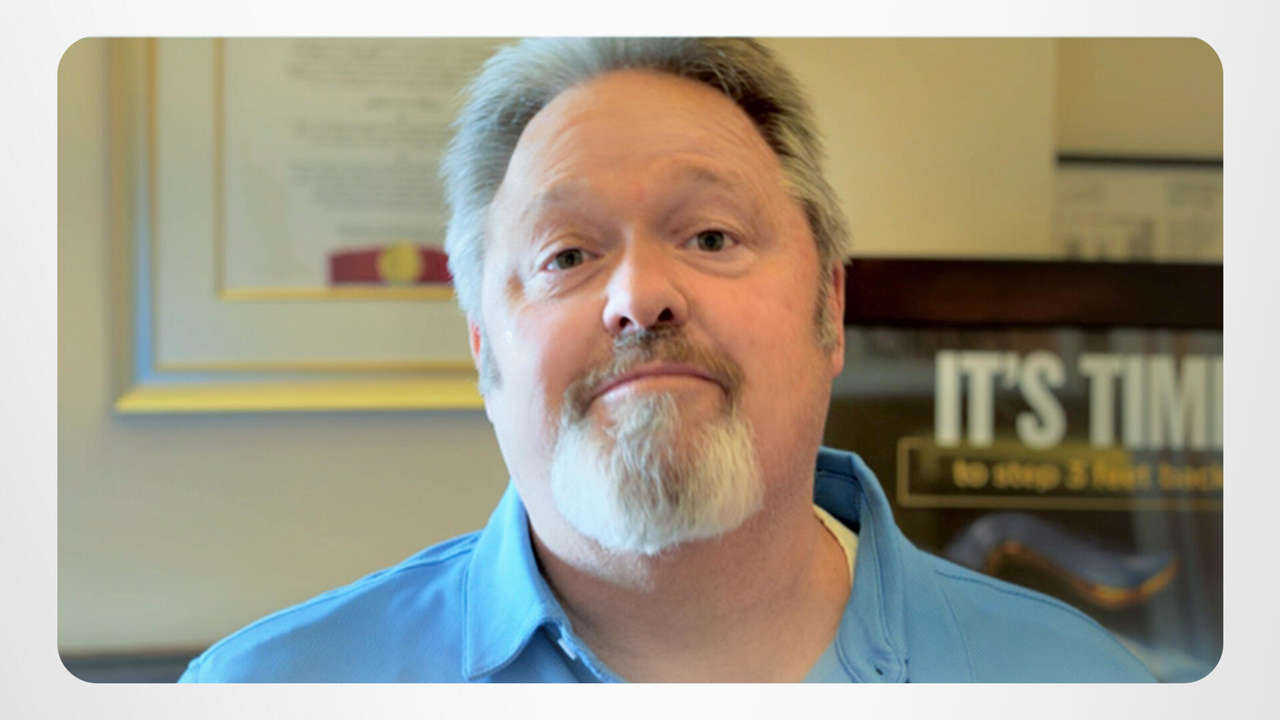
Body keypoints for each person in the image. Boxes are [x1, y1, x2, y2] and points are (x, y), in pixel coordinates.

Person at [179, 38, 1154, 683]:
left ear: (830, 307)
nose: (639, 296)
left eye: (712, 236)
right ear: (484, 351)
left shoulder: (1080, 685)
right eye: (566, 255)